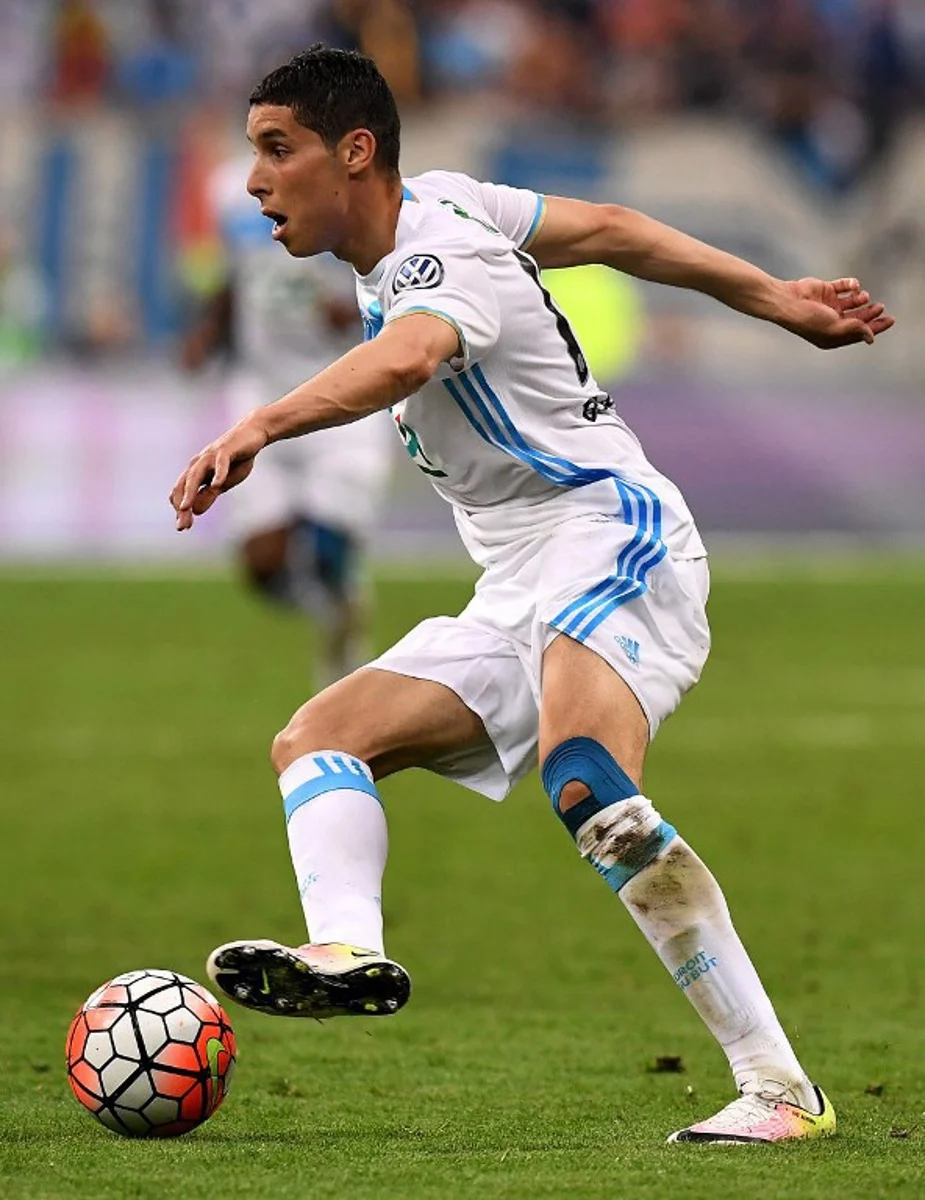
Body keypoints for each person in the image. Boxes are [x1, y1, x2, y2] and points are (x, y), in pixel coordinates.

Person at [169, 47, 893, 1145]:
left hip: (609, 528)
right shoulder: (452, 197)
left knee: (585, 777)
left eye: (279, 150)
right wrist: (774, 297)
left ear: (354, 152)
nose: (256, 180)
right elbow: (608, 229)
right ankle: (347, 947)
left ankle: (779, 1089)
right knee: (319, 740)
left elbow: (411, 359)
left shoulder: (436, 253)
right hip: (518, 574)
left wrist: (261, 421)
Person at [181, 154, 394, 690]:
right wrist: (207, 335)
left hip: (342, 393)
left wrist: (357, 310)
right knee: (262, 564)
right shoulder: (240, 197)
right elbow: (238, 277)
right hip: (260, 393)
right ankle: (336, 605)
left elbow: (392, 281)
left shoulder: (351, 201)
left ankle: (340, 614)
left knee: (327, 546)